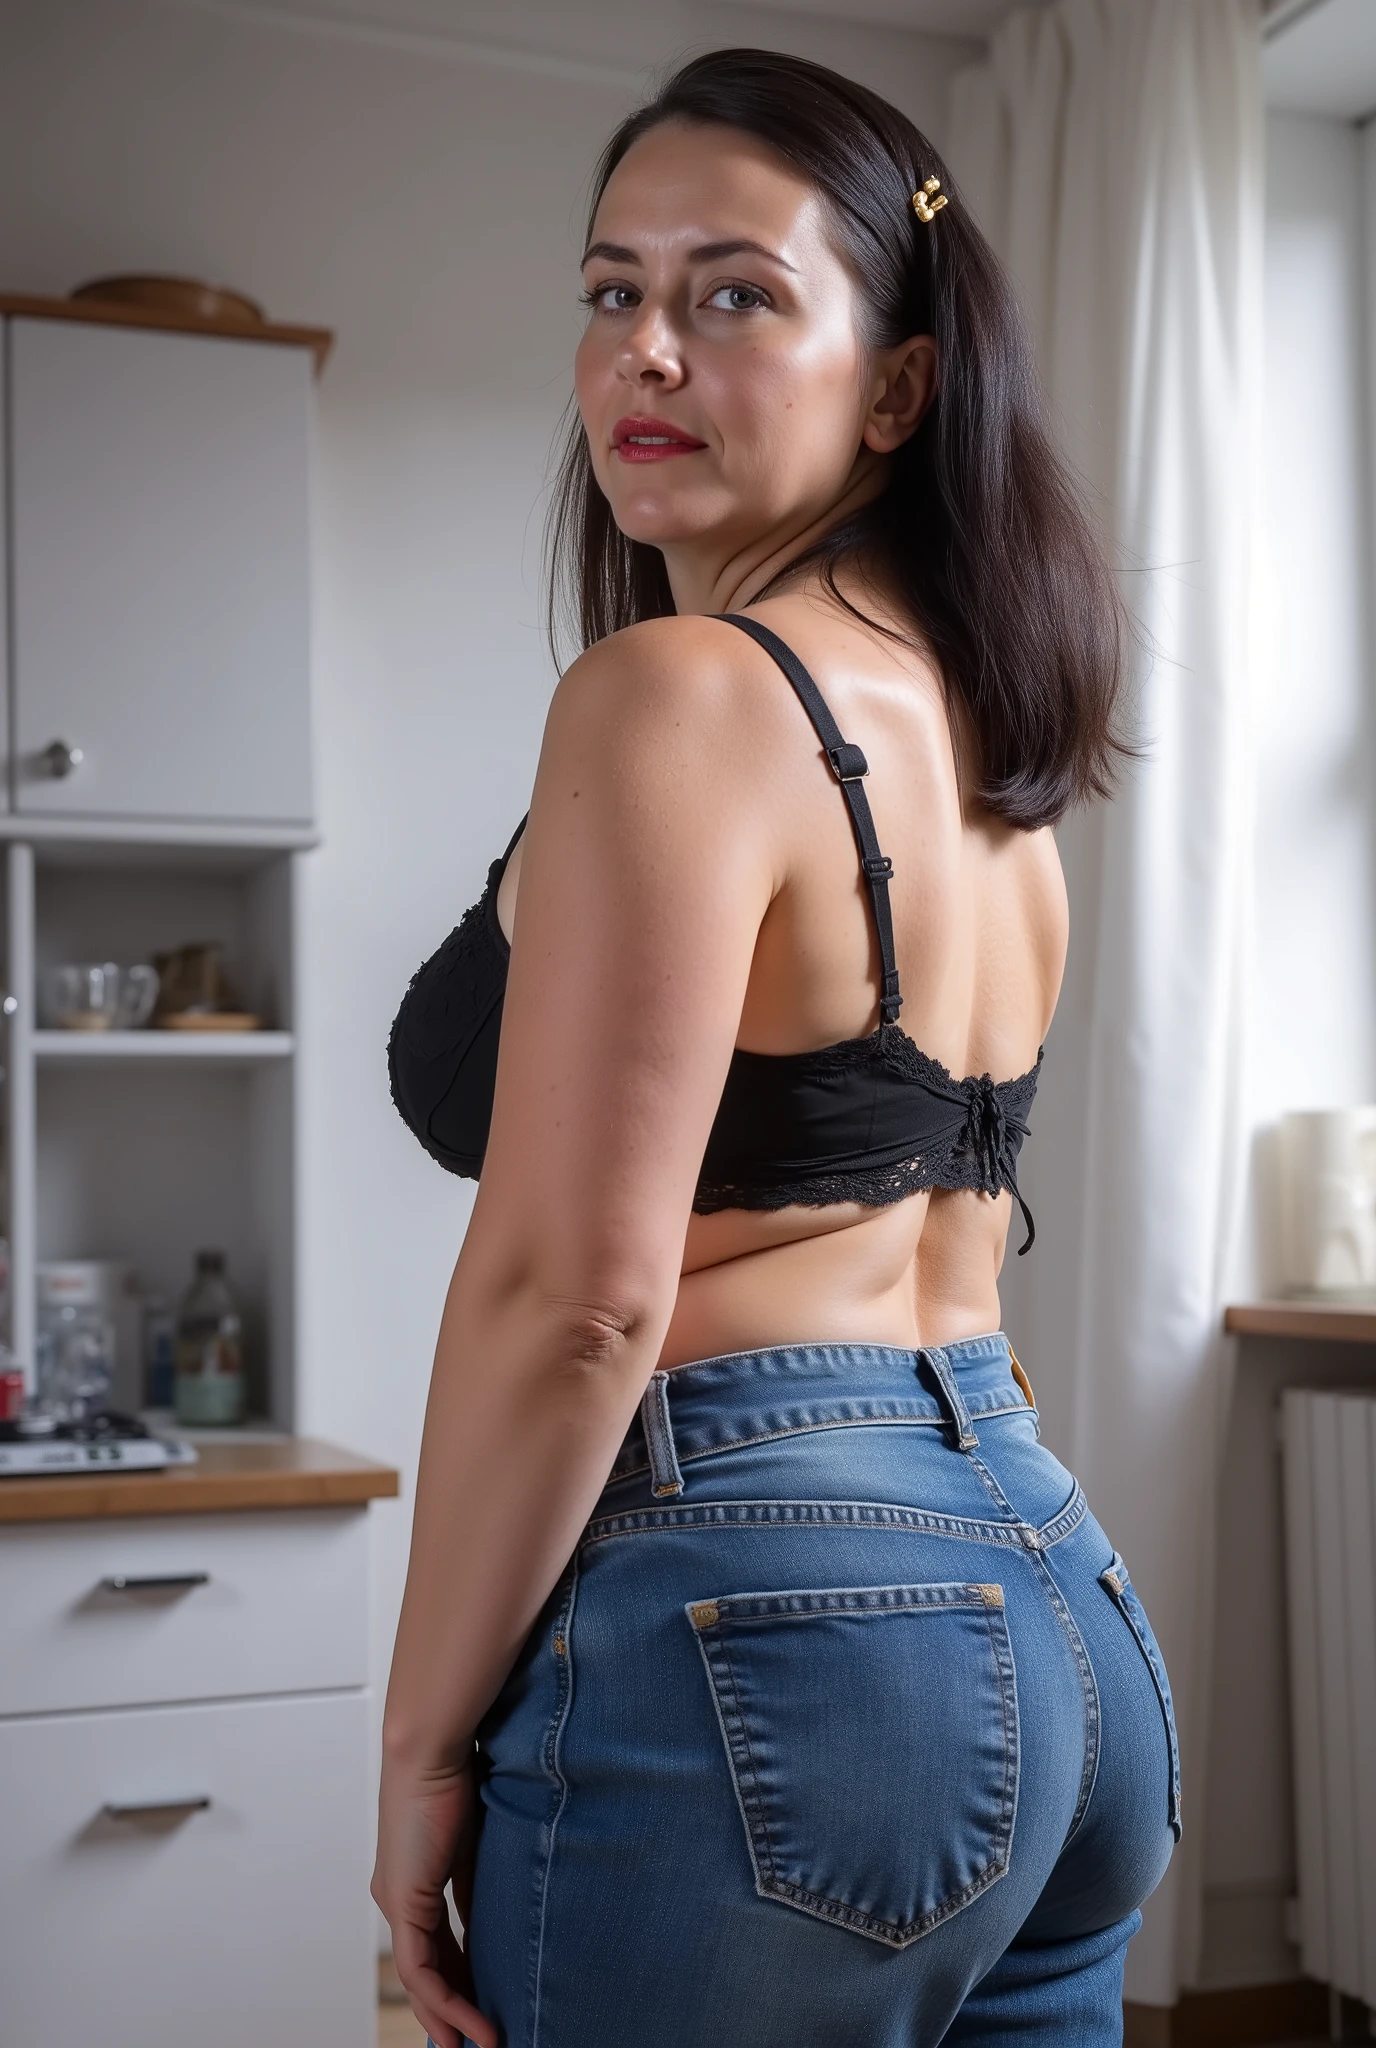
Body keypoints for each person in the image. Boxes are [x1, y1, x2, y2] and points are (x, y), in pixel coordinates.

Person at [374, 48, 1179, 2048]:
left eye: (732, 292)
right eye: (609, 290)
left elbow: (576, 1294)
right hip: (1051, 1604)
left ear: (895, 383)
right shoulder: (985, 758)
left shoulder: (679, 698)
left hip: (779, 1626)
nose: (646, 349)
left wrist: (414, 1741)